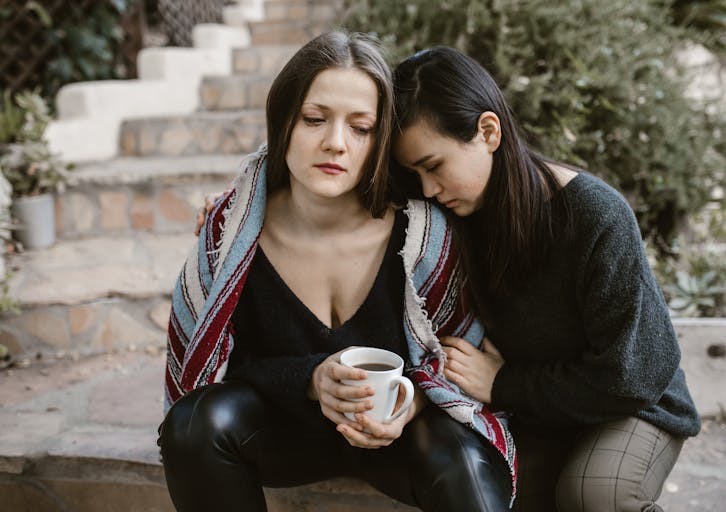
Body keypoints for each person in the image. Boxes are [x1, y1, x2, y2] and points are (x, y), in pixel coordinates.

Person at [158, 32, 517, 512]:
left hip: (403, 437)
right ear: (283, 121)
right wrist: (311, 379)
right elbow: (219, 370)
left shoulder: (424, 232)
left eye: (362, 128)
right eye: (314, 119)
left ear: (381, 138)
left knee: (464, 459)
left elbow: (454, 360)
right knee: (193, 425)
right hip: (285, 431)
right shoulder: (234, 230)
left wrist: (411, 403)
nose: (335, 143)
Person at [390, 46, 701, 512]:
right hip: (540, 409)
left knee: (595, 494)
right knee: (492, 492)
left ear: (488, 131)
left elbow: (629, 377)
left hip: (633, 404)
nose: (428, 188)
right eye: (415, 174)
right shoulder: (443, 221)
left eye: (434, 166)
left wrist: (503, 384)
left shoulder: (595, 214)